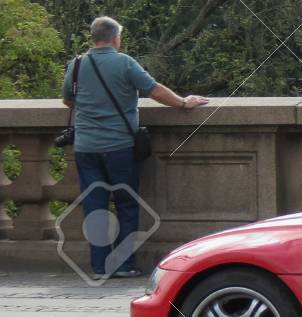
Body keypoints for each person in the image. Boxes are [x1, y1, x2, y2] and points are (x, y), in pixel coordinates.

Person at [61, 16, 208, 279]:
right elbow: (155, 91)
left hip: (85, 147)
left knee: (95, 206)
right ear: (116, 38)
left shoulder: (77, 64)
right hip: (118, 145)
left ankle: (98, 267)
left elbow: (68, 100)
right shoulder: (124, 62)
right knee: (126, 204)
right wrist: (184, 103)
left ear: (94, 38)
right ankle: (123, 264)